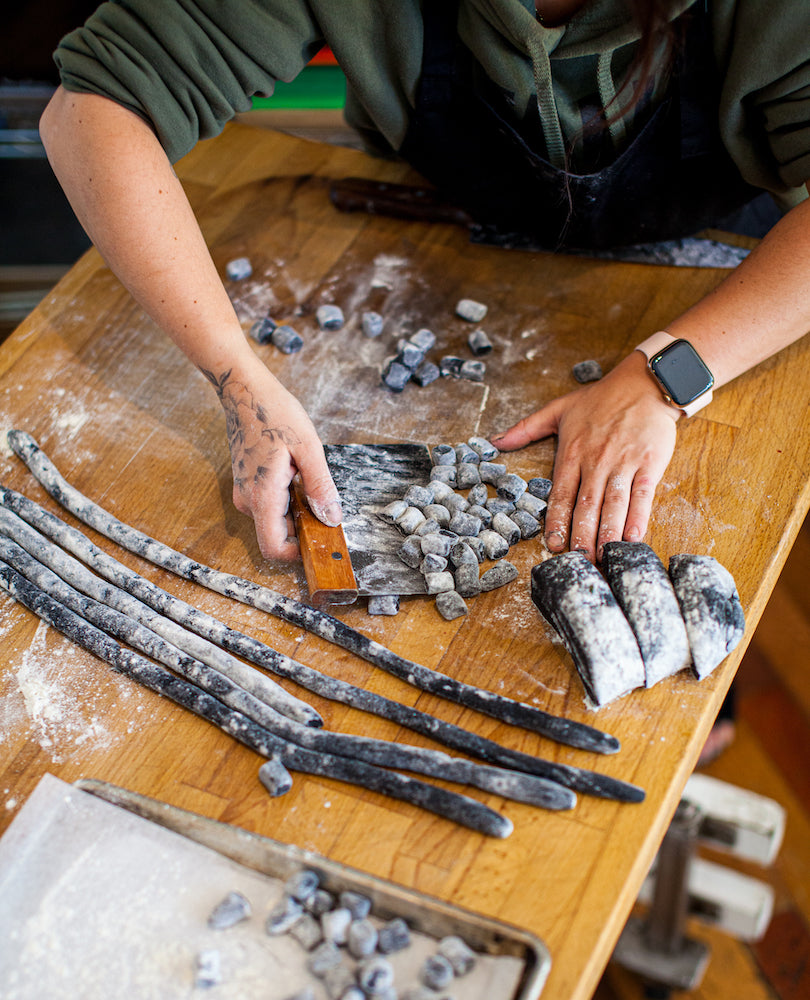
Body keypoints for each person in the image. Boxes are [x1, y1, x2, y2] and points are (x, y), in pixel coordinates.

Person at [38, 0, 810, 567]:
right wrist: (238, 375)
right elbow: (90, 110)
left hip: (740, 287)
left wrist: (670, 372)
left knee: (679, 571)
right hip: (448, 229)